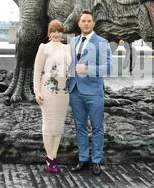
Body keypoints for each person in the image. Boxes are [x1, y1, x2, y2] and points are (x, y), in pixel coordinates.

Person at [68, 10, 112, 176]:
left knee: (97, 127)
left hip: (94, 92)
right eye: (83, 21)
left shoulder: (102, 42)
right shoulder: (72, 42)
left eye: (89, 21)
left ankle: (96, 161)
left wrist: (88, 68)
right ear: (79, 24)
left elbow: (108, 68)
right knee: (79, 126)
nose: (86, 23)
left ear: (93, 24)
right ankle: (83, 158)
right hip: (75, 90)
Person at [33, 19, 72, 173]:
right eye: (53, 31)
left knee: (59, 125)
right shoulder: (44, 48)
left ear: (62, 33)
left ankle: (54, 156)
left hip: (64, 90)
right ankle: (49, 158)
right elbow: (36, 71)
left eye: (59, 31)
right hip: (48, 88)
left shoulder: (68, 48)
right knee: (49, 125)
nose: (56, 34)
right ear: (49, 33)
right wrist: (37, 91)